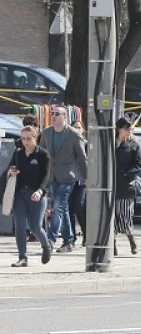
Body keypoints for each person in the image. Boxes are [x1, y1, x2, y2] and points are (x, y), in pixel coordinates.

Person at [40, 105, 87, 254]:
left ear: (65, 117)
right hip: (52, 175)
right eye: (52, 113)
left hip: (68, 176)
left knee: (58, 206)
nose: (53, 116)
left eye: (57, 114)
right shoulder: (46, 133)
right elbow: (41, 154)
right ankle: (68, 241)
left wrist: (87, 177)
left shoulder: (73, 134)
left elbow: (82, 157)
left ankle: (50, 239)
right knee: (63, 209)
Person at [4, 126, 52, 267]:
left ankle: (46, 245)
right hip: (20, 194)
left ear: (35, 138)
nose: (25, 141)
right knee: (19, 224)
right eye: (23, 138)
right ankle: (22, 257)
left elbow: (47, 175)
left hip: (36, 193)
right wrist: (12, 172)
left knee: (35, 226)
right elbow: (12, 167)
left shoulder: (43, 154)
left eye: (29, 138)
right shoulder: (18, 153)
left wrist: (40, 190)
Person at [113, 117, 141, 256]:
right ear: (120, 129)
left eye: (130, 129)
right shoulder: (111, 143)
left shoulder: (133, 145)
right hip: (111, 185)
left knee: (124, 214)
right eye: (127, 128)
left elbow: (138, 164)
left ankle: (131, 238)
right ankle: (112, 243)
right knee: (112, 216)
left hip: (126, 185)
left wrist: (127, 175)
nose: (129, 131)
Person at [68, 119, 87, 246]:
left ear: (83, 129)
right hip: (69, 180)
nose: (77, 130)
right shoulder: (68, 144)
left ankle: (87, 234)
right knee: (68, 209)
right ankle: (71, 237)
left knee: (79, 207)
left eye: (79, 127)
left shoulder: (87, 144)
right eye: (74, 127)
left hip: (82, 181)